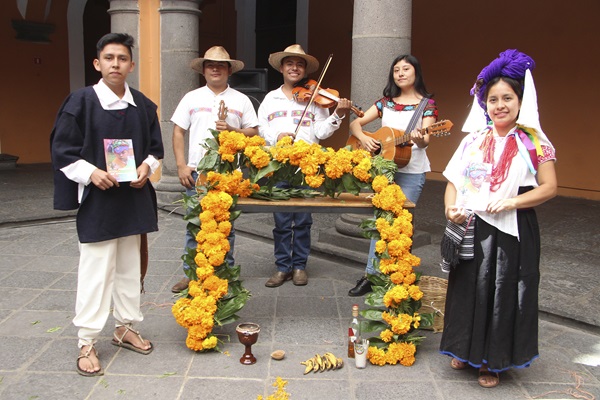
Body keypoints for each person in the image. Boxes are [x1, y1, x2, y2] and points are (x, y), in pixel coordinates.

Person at [439, 49, 557, 388]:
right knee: (466, 289)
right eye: (493, 99)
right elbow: (453, 183)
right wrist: (450, 209)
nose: (500, 104)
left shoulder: (534, 142)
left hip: (513, 231)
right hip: (473, 227)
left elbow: (549, 188)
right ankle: (462, 348)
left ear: (520, 101)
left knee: (502, 291)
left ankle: (492, 361)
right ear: (484, 104)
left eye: (507, 98)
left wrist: (511, 202)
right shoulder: (473, 141)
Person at [50, 33, 164, 377]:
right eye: (109, 58)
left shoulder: (142, 105)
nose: (116, 64)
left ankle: (125, 326)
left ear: (131, 65)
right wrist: (91, 173)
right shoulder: (81, 102)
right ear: (97, 64)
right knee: (97, 271)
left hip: (132, 198)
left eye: (123, 58)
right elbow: (63, 151)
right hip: (99, 200)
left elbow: (155, 150)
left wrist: (147, 167)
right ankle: (86, 339)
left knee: (129, 267)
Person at [258, 44, 351, 287]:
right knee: (280, 219)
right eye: (290, 63)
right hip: (278, 164)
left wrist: (337, 115)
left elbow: (321, 131)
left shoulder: (316, 98)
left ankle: (299, 266)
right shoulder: (270, 98)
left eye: (300, 64)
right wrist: (276, 138)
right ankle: (281, 267)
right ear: (282, 67)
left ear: (304, 70)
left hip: (307, 166)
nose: (295, 68)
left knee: (302, 220)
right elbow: (261, 128)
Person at [347, 54, 438, 296]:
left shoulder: (426, 104)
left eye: (405, 69)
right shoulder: (385, 102)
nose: (400, 73)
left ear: (416, 72)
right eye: (396, 69)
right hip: (383, 172)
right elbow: (356, 125)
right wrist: (366, 138)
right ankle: (371, 274)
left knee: (401, 226)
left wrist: (421, 137)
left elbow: (426, 139)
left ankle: (397, 277)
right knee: (381, 225)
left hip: (412, 171)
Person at [170, 46, 259, 293]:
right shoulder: (192, 97)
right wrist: (180, 165)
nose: (215, 69)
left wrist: (233, 130)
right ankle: (192, 274)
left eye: (221, 65)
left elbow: (253, 132)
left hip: (228, 175)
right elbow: (178, 130)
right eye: (210, 65)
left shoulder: (241, 100)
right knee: (195, 225)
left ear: (229, 70)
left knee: (225, 227)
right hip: (197, 172)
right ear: (203, 70)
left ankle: (225, 272)